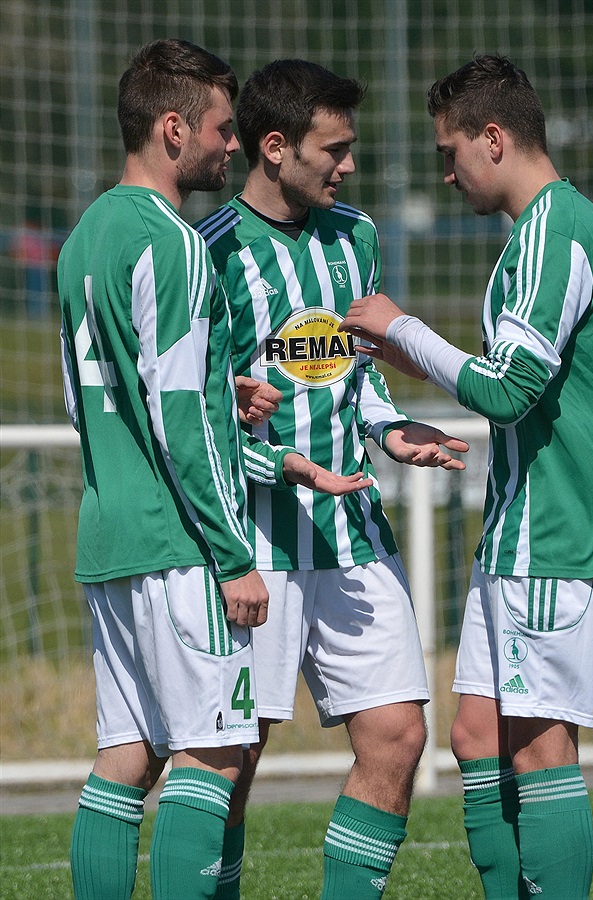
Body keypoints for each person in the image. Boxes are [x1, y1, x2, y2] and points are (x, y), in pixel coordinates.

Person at [58, 40, 370, 900]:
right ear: (172, 129)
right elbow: (178, 418)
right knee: (215, 751)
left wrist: (212, 385)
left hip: (109, 530)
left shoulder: (85, 236)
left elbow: (113, 389)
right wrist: (233, 555)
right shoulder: (178, 242)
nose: (231, 147)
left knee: (126, 755)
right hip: (178, 538)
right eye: (222, 130)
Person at [340, 54, 593, 899]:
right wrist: (410, 353)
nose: (446, 171)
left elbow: (511, 392)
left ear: (495, 138)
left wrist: (408, 328)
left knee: (542, 748)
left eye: (450, 151)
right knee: (476, 735)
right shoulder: (541, 234)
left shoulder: (555, 230)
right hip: (521, 534)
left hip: (563, 532)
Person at [196, 58, 469, 899]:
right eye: (333, 150)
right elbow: (191, 418)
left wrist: (390, 430)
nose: (347, 166)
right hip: (254, 544)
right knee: (230, 761)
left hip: (353, 534)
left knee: (396, 737)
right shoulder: (209, 253)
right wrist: (264, 454)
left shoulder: (356, 236)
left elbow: (356, 373)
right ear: (273, 148)